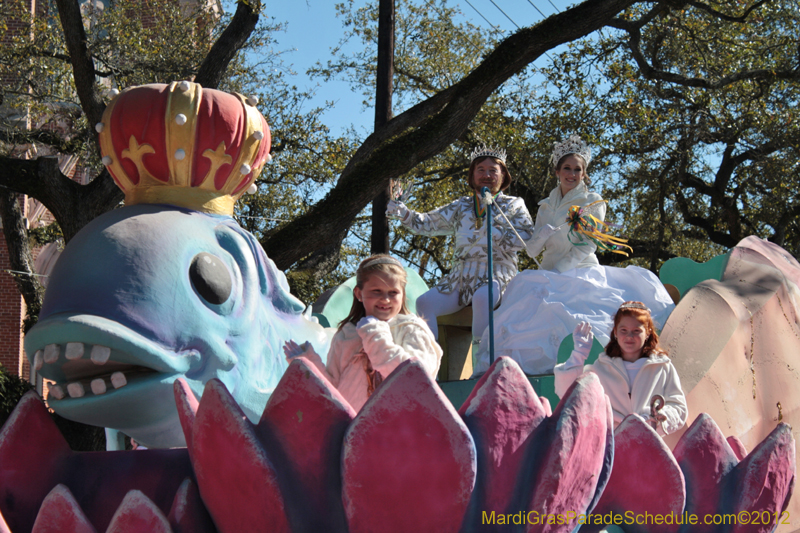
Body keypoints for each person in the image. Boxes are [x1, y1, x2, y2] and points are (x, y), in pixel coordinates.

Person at [473, 136, 675, 375]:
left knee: (567, 314)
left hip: (580, 270)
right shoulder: (546, 205)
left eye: (577, 169)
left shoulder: (592, 202)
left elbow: (589, 244)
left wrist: (561, 270)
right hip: (547, 272)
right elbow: (532, 250)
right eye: (566, 168)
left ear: (584, 173)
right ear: (557, 171)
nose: (572, 174)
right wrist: (540, 237)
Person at [385, 146, 554, 340]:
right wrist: (403, 212)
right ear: (472, 175)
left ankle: (482, 363)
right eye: (480, 169)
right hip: (460, 278)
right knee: (424, 303)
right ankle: (430, 364)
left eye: (493, 170)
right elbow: (428, 223)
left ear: (503, 176)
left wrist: (497, 232)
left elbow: (526, 239)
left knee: (482, 298)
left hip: (496, 274)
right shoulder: (461, 205)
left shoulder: (513, 204)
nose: (486, 175)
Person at [283, 254, 442, 412]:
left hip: (397, 428)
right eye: (376, 291)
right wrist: (310, 365)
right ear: (359, 293)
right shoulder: (346, 335)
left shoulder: (412, 329)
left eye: (393, 292)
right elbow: (333, 390)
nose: (385, 299)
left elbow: (415, 377)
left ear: (403, 294)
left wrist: (375, 336)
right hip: (352, 429)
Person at [553, 301, 688, 436]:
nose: (629, 336)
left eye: (636, 331)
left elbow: (679, 408)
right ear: (615, 332)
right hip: (612, 447)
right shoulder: (601, 368)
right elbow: (569, 396)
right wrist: (578, 354)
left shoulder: (662, 367)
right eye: (624, 330)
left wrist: (654, 420)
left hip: (649, 446)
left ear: (648, 332)